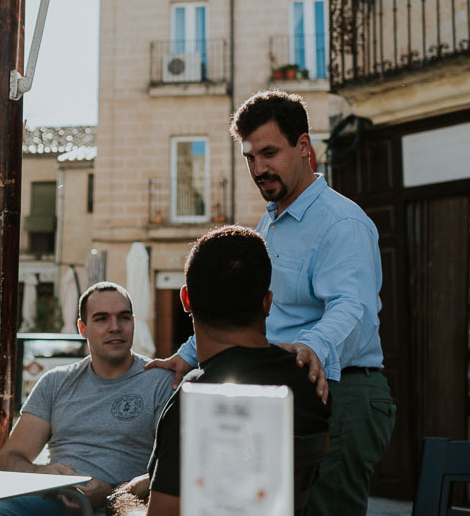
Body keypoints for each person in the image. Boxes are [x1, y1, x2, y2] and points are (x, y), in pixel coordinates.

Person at [148, 90, 395, 516]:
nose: (258, 168)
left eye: (268, 152)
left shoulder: (342, 222)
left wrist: (314, 346)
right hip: (292, 388)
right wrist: (187, 355)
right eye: (249, 158)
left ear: (304, 147)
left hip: (345, 389)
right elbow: (259, 309)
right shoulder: (273, 219)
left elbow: (352, 307)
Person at [126, 225, 331, 516]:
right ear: (267, 303)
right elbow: (318, 449)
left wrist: (120, 503)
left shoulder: (194, 399)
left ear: (186, 299)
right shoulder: (310, 379)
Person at [0, 282, 174, 516]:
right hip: (51, 501)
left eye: (124, 318)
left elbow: (174, 470)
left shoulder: (160, 381)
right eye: (101, 319)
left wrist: (114, 492)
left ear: (133, 323)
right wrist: (44, 474)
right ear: (82, 329)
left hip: (122, 507)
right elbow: (7, 461)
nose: (115, 327)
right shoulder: (55, 382)